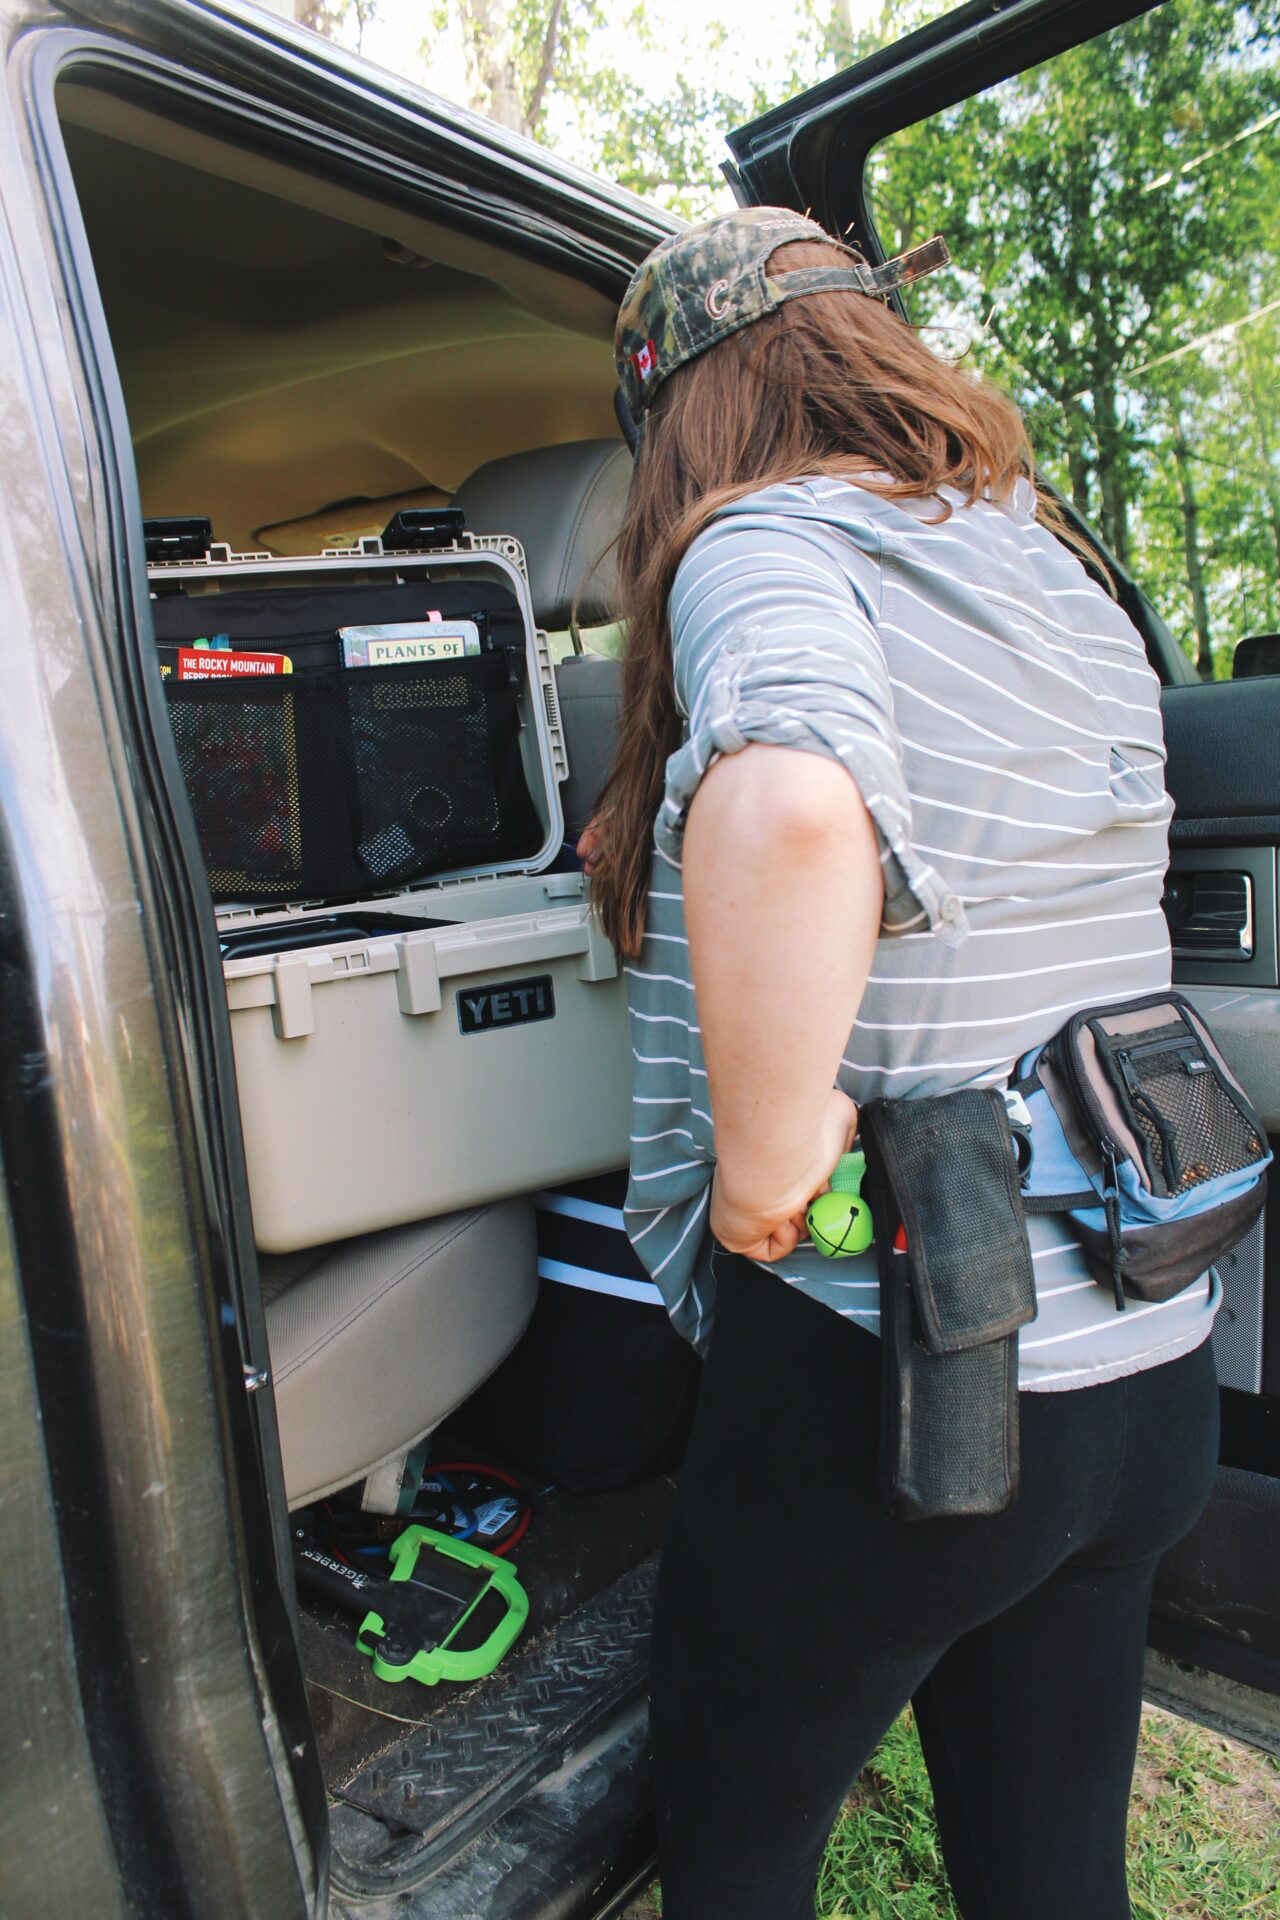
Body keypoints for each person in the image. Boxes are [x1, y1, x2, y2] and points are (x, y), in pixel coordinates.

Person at [583, 208, 1221, 1920]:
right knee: (1051, 1872)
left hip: (904, 1392)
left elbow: (793, 802)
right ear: (879, 342)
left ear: (684, 415)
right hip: (1149, 1358)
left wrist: (761, 1174)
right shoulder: (1052, 570)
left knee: (736, 1861)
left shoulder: (762, 540)